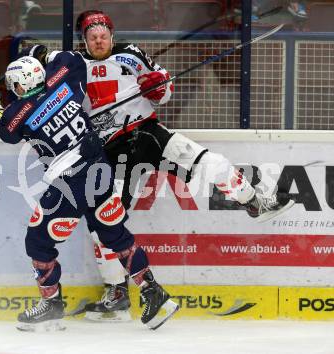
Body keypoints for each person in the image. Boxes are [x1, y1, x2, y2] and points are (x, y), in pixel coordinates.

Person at [24, 9, 296, 322]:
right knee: (105, 226)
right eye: (92, 36)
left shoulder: (132, 55)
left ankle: (255, 203)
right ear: (84, 39)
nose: (99, 41)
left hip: (148, 133)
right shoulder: (70, 63)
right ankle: (116, 293)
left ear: (112, 35)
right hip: (110, 150)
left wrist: (158, 86)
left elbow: (163, 94)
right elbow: (34, 62)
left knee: (212, 162)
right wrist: (35, 53)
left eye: (104, 35)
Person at [0, 53, 179, 331]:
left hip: (70, 182)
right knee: (114, 234)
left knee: (38, 242)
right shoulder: (63, 81)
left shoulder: (20, 112)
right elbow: (72, 58)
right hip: (99, 169)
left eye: (13, 86)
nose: (13, 91)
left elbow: (5, 127)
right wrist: (43, 54)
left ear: (20, 85)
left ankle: (52, 305)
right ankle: (155, 294)